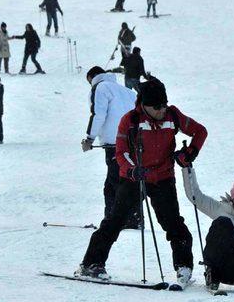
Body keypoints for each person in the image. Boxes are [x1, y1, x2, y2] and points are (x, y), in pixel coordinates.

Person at [76, 78, 208, 287]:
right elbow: (121, 153)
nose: (162, 109)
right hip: (133, 179)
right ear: (144, 105)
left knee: (173, 223)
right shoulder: (129, 120)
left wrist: (189, 153)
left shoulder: (173, 115)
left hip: (163, 178)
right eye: (157, 106)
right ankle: (91, 264)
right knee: (115, 221)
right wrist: (132, 169)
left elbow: (200, 132)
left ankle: (184, 267)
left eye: (164, 104)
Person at [81, 66, 140, 228]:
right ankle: (134, 219)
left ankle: (113, 221)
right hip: (134, 144)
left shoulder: (100, 87)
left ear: (92, 77)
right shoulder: (127, 91)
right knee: (130, 180)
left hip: (115, 144)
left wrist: (89, 138)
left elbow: (98, 114)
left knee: (113, 184)